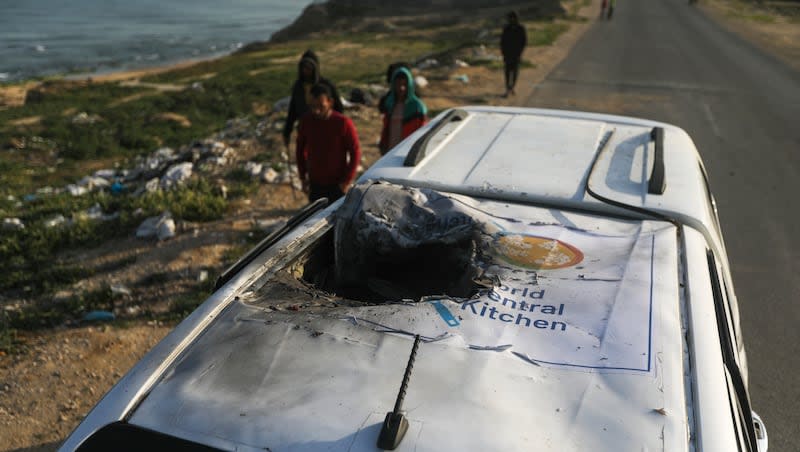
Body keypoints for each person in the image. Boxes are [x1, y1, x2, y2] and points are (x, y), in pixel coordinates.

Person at [295, 83, 361, 203]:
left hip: (337, 184)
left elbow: (355, 152)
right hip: (315, 183)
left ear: (330, 102)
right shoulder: (306, 121)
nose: (316, 111)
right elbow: (300, 150)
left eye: (321, 106)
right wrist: (303, 177)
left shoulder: (343, 123)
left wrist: (346, 181)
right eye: (313, 106)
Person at [282, 50, 344, 148]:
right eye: (303, 67)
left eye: (309, 67)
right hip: (305, 128)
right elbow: (292, 110)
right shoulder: (298, 87)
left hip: (325, 128)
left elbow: (339, 108)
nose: (306, 71)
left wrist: (338, 128)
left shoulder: (326, 85)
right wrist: (287, 132)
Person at [378, 67, 428, 155]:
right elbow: (386, 127)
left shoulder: (417, 106)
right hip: (390, 149)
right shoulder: (390, 103)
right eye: (398, 84)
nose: (401, 88)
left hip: (407, 151)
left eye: (404, 84)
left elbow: (421, 133)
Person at [500, 11, 527, 97]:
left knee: (515, 72)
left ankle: (512, 87)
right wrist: (503, 52)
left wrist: (520, 52)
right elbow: (502, 42)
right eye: (510, 18)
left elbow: (523, 41)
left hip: (516, 54)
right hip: (507, 54)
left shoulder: (520, 28)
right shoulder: (506, 28)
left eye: (513, 18)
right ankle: (508, 88)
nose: (511, 20)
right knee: (507, 72)